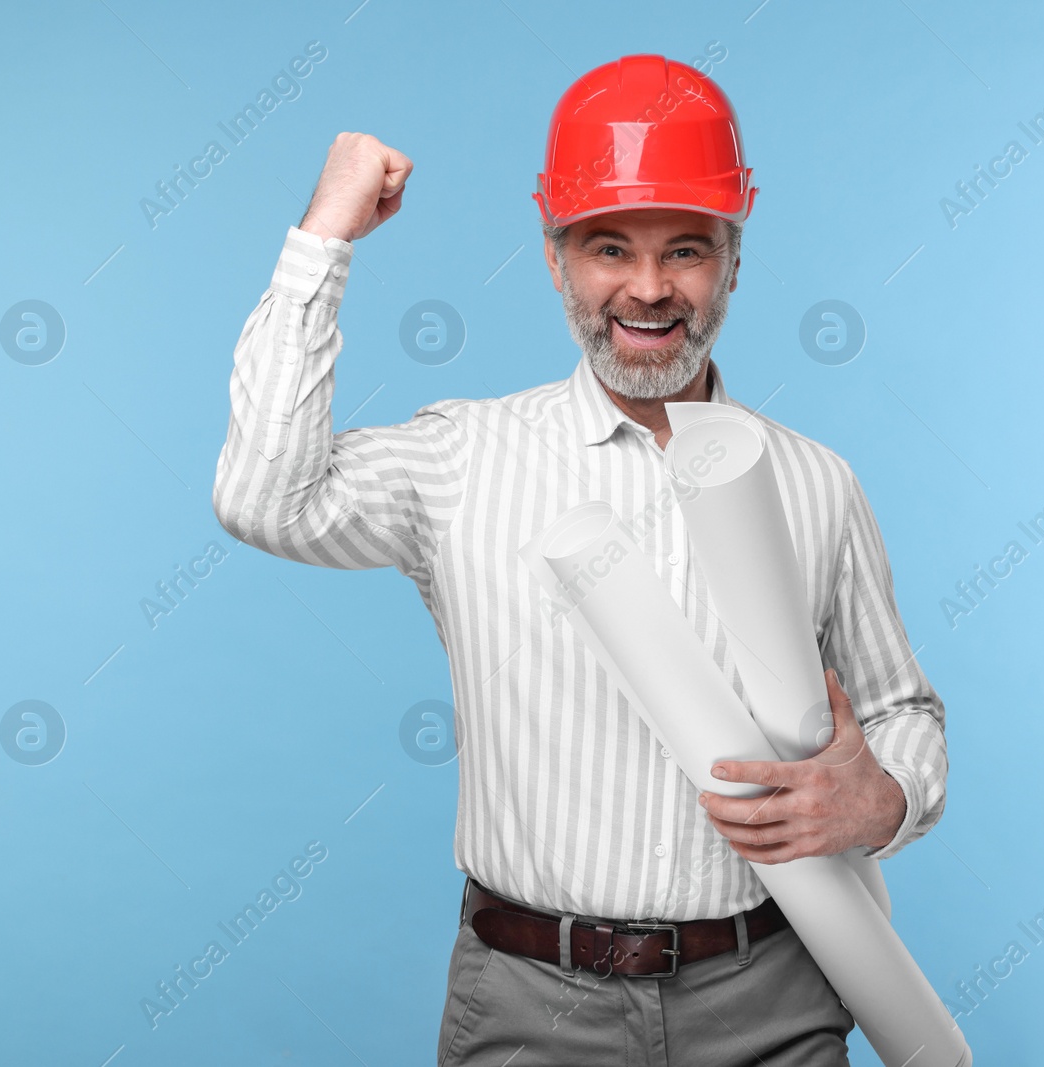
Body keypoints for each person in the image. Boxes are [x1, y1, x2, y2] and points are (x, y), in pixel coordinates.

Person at [212, 53, 949, 1067]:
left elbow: (901, 710)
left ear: (733, 258)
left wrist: (888, 798)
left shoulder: (815, 481)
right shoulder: (460, 459)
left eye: (686, 249)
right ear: (556, 256)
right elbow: (263, 498)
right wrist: (322, 239)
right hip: (529, 1002)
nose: (648, 290)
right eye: (609, 247)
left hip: (771, 995)